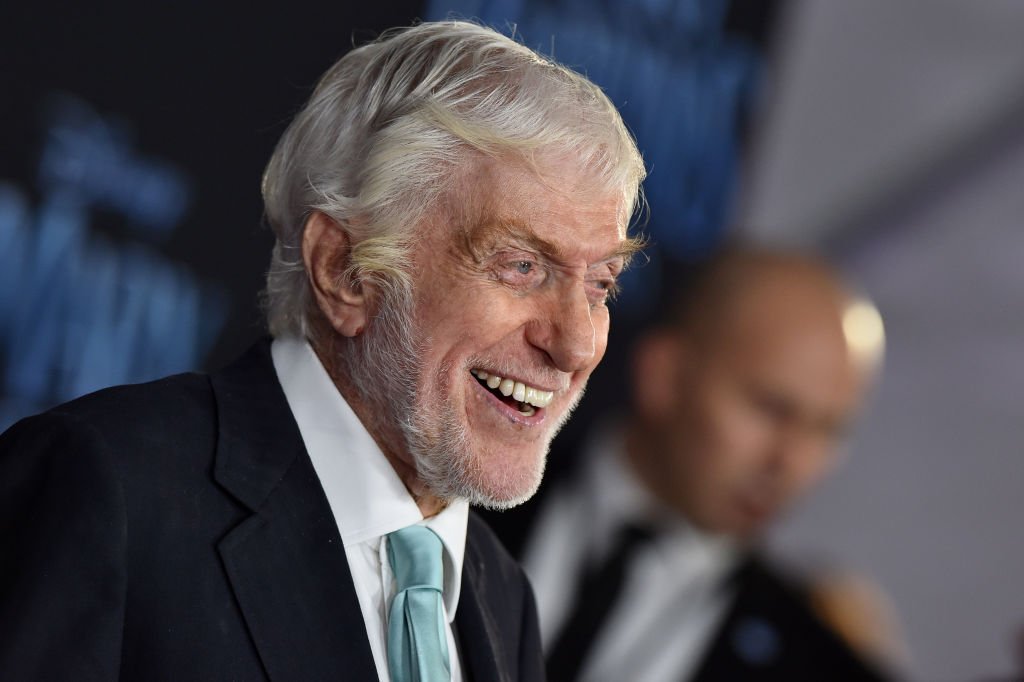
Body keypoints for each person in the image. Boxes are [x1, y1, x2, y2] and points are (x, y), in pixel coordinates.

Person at [0, 21, 645, 681]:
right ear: (344, 271)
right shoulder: (110, 490)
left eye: (600, 285)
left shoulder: (503, 599)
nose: (575, 343)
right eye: (520, 266)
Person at [521, 248, 896, 681]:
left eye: (828, 431)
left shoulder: (821, 662)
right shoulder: (456, 495)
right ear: (665, 374)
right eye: (773, 409)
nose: (793, 462)